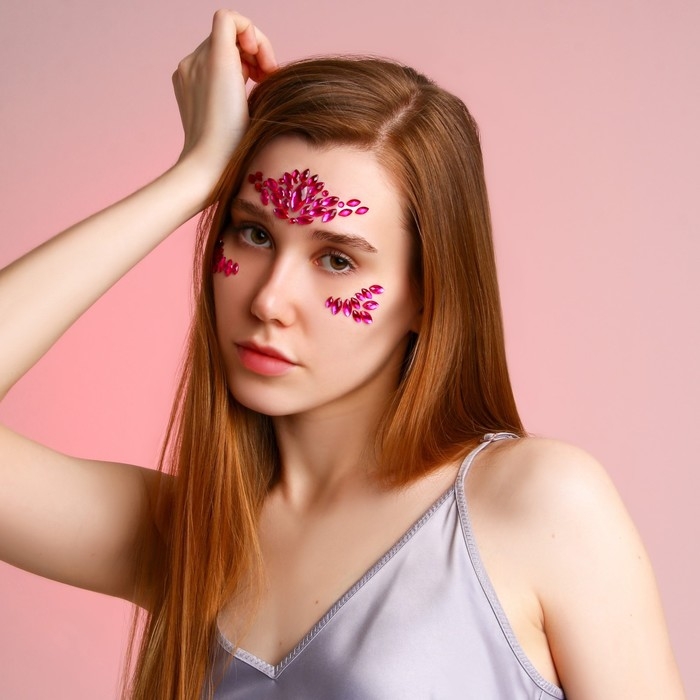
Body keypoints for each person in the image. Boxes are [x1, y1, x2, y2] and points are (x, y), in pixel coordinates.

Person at [0, 9, 686, 700]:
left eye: (336, 259)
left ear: (427, 294)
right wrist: (193, 176)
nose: (270, 300)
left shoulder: (538, 505)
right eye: (253, 234)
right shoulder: (187, 536)